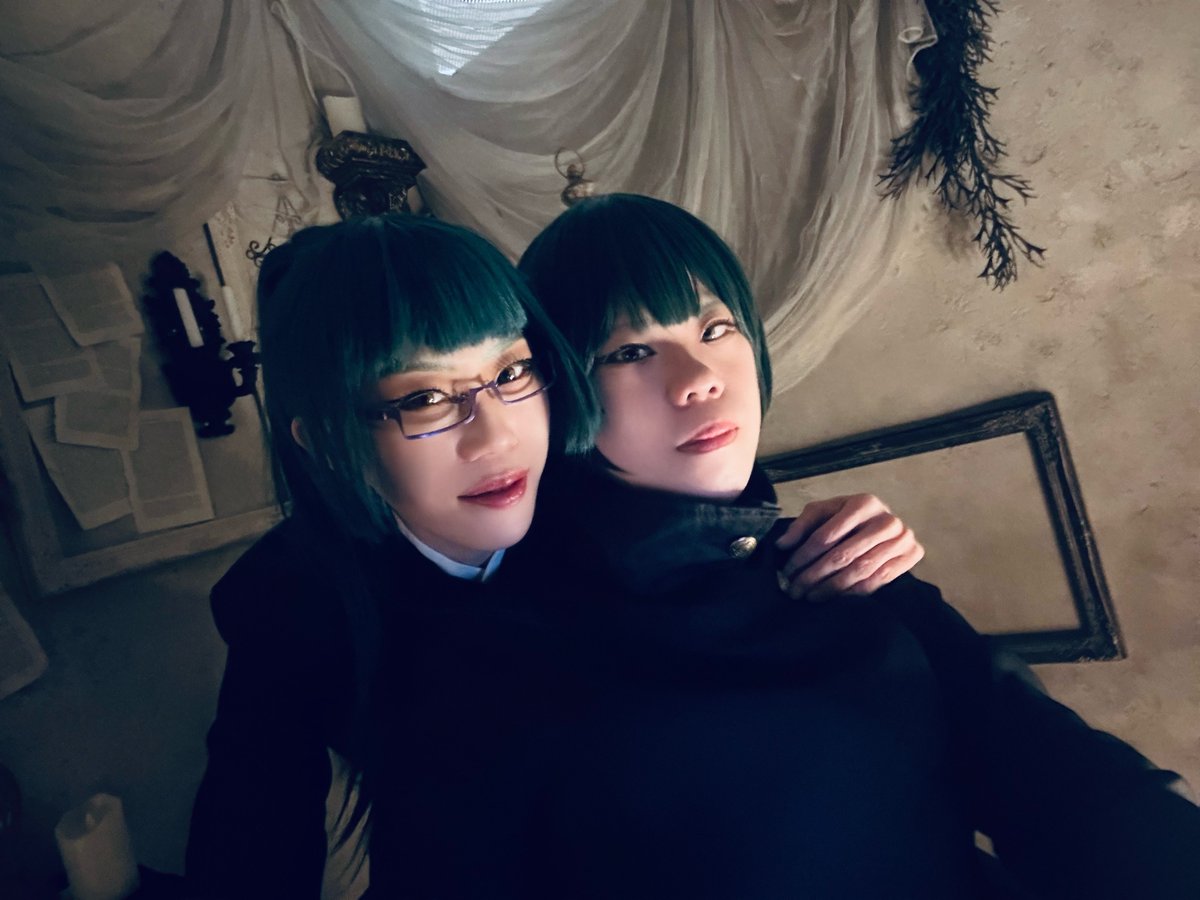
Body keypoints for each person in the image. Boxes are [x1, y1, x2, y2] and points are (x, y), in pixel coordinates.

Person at [364, 194, 1200, 899]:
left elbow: (1082, 793)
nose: (699, 377)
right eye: (630, 351)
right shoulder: (495, 645)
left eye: (717, 328)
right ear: (561, 391)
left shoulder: (846, 569)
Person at [184, 213, 923, 898]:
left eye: (511, 372)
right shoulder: (292, 602)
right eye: (424, 400)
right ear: (327, 441)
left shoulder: (578, 499)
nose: (496, 439)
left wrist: (835, 539)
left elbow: (709, 538)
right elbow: (251, 842)